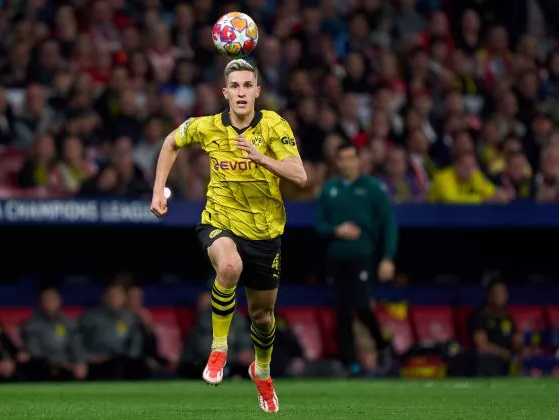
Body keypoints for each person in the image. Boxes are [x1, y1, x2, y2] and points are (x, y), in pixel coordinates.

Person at [150, 58, 306, 413]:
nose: (240, 92)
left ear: (257, 92)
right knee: (229, 266)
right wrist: (158, 190)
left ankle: (261, 370)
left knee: (263, 317)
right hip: (220, 220)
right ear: (225, 92)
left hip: (265, 232)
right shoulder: (207, 126)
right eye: (233, 86)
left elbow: (299, 175)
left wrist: (261, 158)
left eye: (246, 86)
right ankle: (218, 349)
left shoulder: (272, 126)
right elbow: (171, 142)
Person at [315, 144, 398, 376]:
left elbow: (388, 224)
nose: (346, 163)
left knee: (362, 306)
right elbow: (319, 225)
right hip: (336, 259)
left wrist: (388, 258)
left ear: (359, 160)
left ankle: (382, 347)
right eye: (342, 159)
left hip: (362, 256)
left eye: (351, 158)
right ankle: (350, 363)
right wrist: (336, 230)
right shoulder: (329, 189)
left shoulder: (372, 188)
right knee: (341, 311)